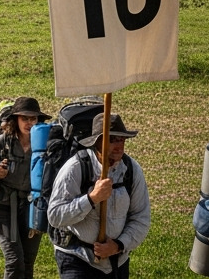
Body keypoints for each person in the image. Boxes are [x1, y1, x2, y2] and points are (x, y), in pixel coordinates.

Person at [47, 113, 150, 279]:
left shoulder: (131, 170)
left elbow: (141, 217)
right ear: (97, 142)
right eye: (112, 140)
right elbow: (55, 216)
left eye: (122, 140)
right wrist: (91, 199)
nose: (119, 146)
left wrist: (117, 246)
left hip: (117, 260)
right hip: (77, 258)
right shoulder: (75, 168)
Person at [0, 97, 51, 279]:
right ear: (15, 119)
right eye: (25, 118)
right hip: (2, 207)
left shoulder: (46, 146)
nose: (29, 123)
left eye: (33, 119)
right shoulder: (1, 142)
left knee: (27, 263)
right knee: (14, 260)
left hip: (33, 207)